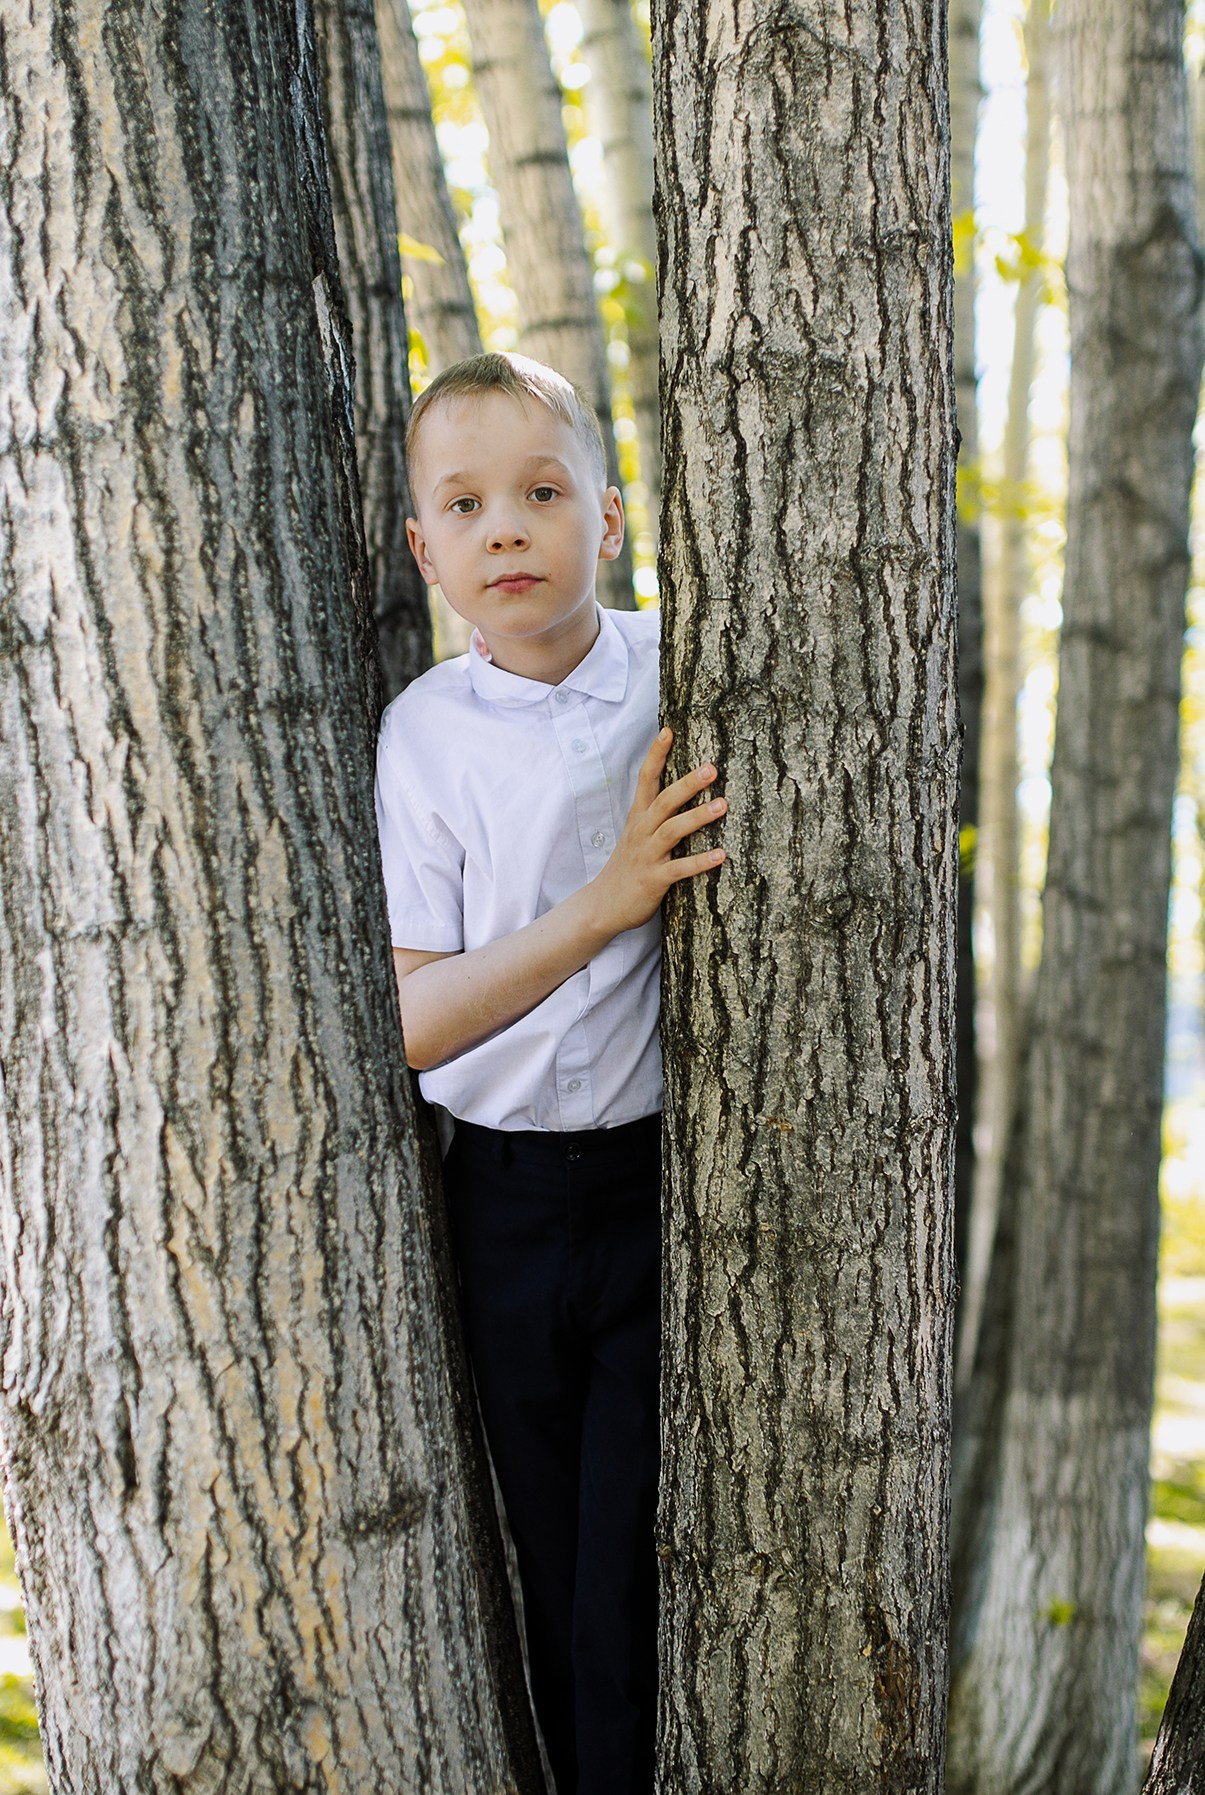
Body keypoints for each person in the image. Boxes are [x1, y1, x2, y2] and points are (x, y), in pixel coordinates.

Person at [374, 352, 726, 1795]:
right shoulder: (426, 739)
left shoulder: (677, 672)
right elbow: (415, 1023)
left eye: (539, 492)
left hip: (660, 1190)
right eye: (463, 505)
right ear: (424, 549)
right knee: (545, 1563)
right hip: (502, 1205)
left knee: (633, 1574)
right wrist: (604, 902)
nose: (504, 529)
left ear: (610, 517)